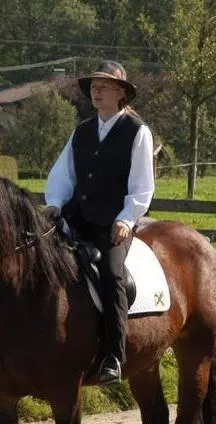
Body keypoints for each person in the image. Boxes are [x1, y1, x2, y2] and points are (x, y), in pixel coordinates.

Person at [43, 60, 155, 385]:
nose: (96, 91)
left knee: (111, 272)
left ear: (121, 93)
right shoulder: (81, 131)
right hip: (76, 217)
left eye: (104, 87)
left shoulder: (138, 132)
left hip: (113, 224)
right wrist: (55, 203)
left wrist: (127, 219)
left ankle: (113, 355)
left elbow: (142, 185)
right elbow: (64, 174)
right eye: (94, 87)